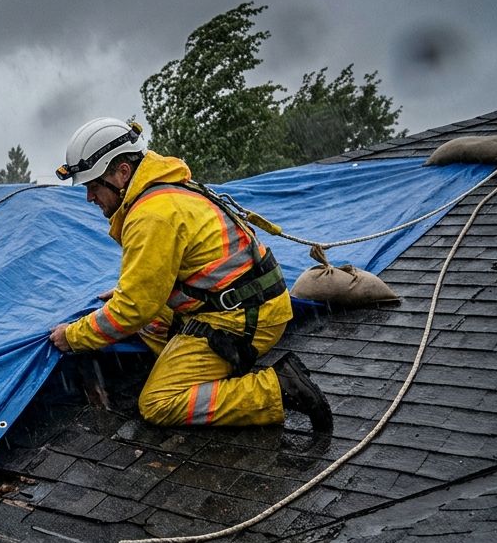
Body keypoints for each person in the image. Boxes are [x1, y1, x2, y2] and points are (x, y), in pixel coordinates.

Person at [49, 117, 332, 432]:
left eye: (93, 185)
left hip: (242, 320)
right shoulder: (166, 189)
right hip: (251, 303)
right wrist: (131, 293)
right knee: (149, 325)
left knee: (158, 402)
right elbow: (163, 280)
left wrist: (72, 337)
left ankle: (278, 390)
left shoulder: (151, 215)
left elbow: (133, 310)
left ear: (123, 173)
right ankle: (202, 370)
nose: (89, 197)